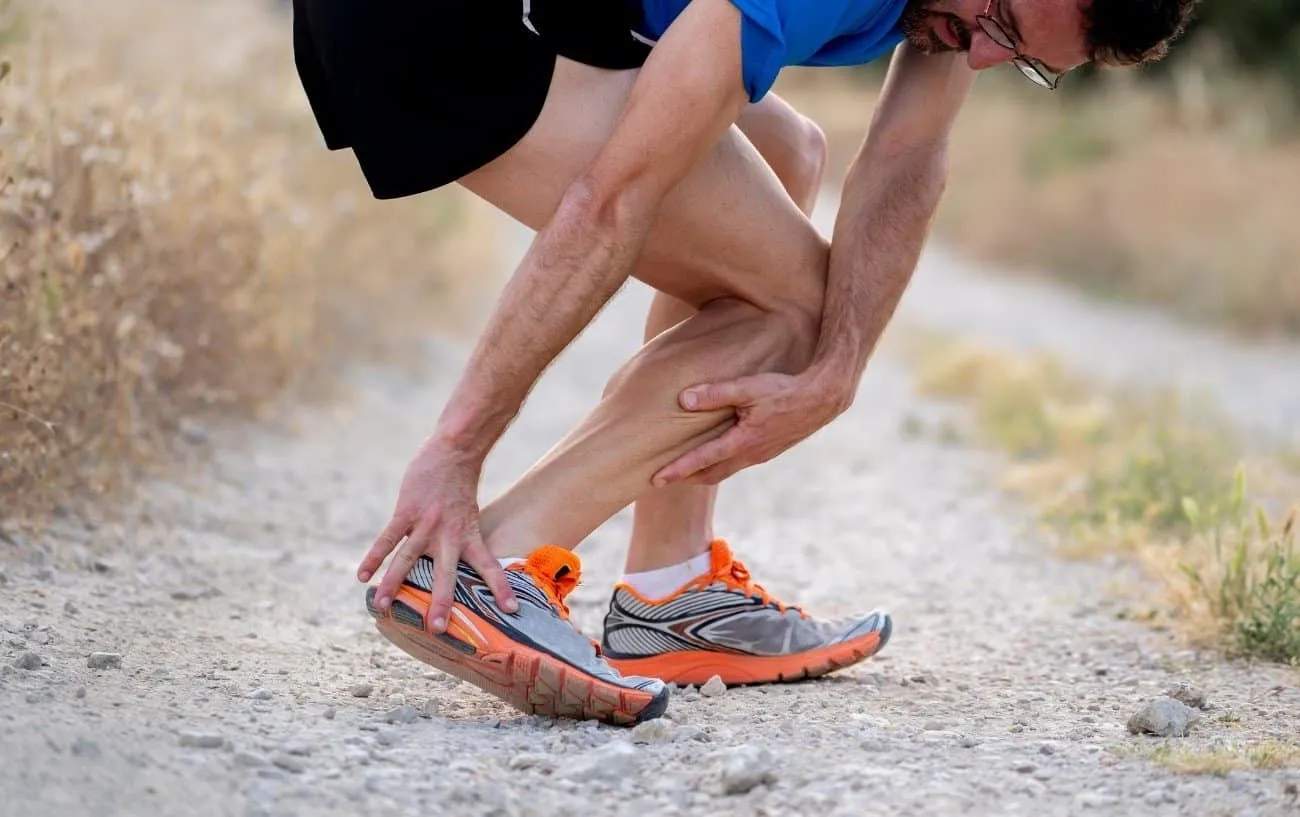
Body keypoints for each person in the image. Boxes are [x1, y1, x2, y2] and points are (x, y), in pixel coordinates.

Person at [292, 0, 1196, 725]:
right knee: (794, 308)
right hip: (428, 25)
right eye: (998, 22)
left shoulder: (957, 15)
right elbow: (612, 204)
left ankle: (668, 587)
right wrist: (455, 447)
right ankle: (492, 566)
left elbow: (911, 150)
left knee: (786, 149)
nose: (987, 57)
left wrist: (841, 369)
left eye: (1027, 59)